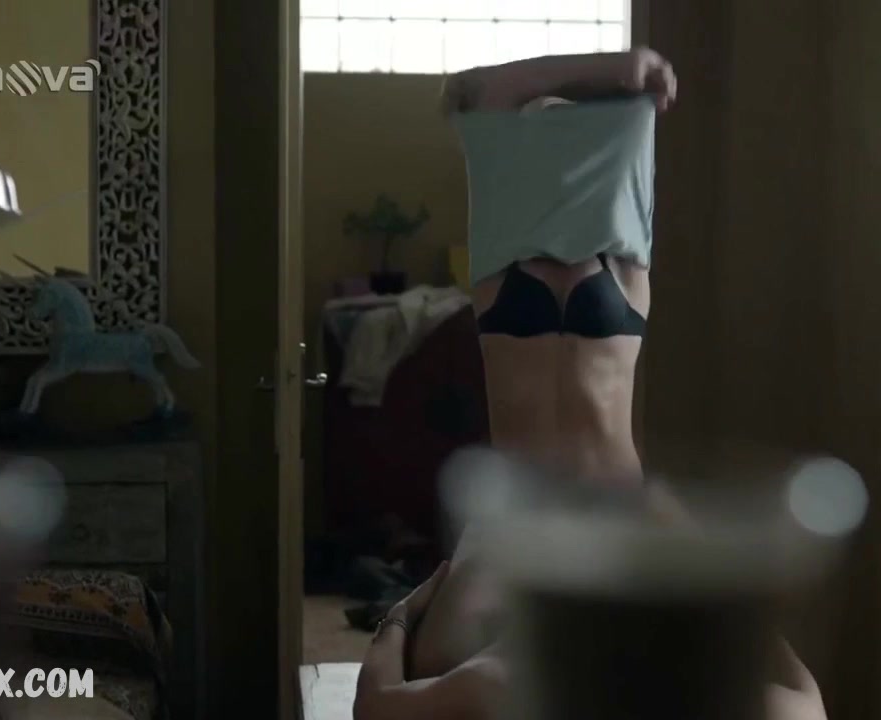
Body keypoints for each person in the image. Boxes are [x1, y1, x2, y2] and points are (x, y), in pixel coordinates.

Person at [352, 49, 828, 720]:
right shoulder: (624, 269)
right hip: (619, 502)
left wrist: (398, 617)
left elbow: (374, 708)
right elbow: (807, 706)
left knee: (450, 658)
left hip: (517, 512)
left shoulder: (503, 680)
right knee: (632, 98)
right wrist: (732, 607)